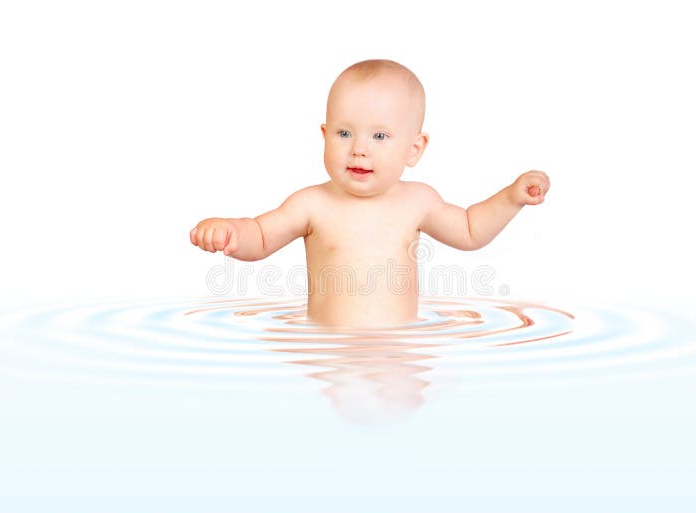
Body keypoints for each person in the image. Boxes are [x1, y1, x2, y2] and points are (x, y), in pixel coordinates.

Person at [190, 59, 550, 327]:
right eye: (344, 134)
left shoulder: (418, 201)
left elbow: (471, 230)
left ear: (414, 148)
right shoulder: (312, 204)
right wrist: (232, 232)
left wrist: (511, 197)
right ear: (324, 135)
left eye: (379, 136)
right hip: (329, 349)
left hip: (401, 348)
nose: (359, 149)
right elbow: (262, 235)